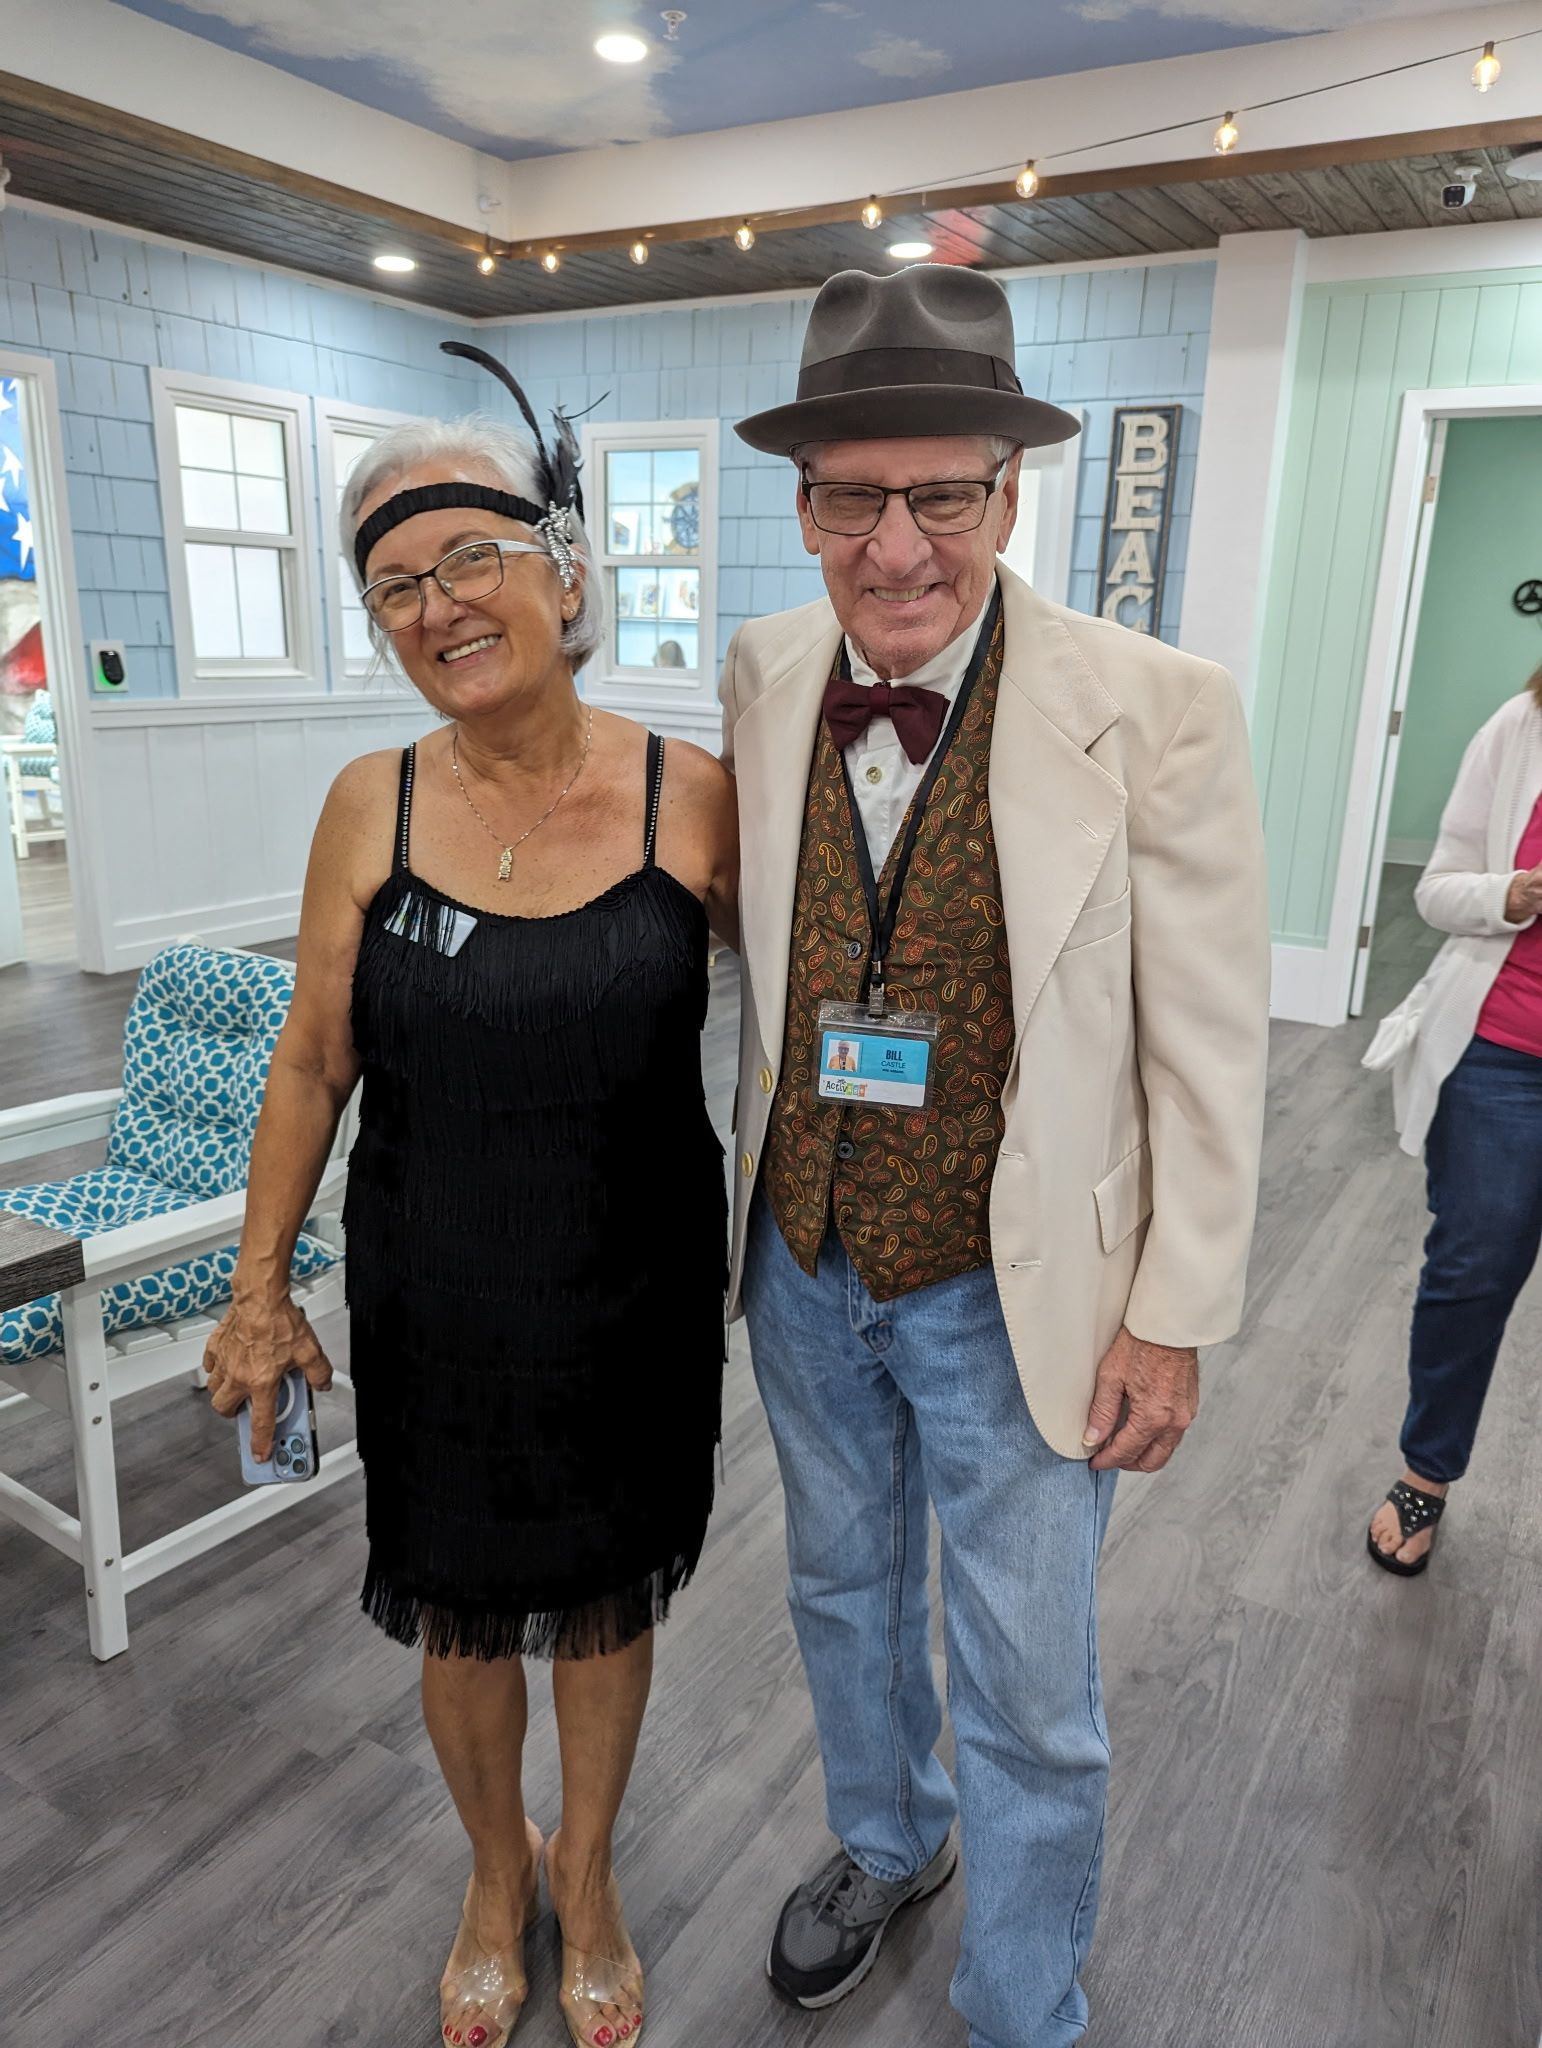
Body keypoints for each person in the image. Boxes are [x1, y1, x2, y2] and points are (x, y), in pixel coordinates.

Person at [719, 265, 1270, 2048]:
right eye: (850, 499)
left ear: (1004, 491)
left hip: (1014, 1281)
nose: (893, 548)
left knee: (1031, 1674)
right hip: (804, 1259)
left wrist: (1173, 1310)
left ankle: (1023, 1997)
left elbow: (1204, 1035)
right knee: (837, 1588)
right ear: (802, 503)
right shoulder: (761, 666)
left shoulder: (1155, 705)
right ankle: (886, 1841)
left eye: (935, 494)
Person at [201, 353, 737, 2048]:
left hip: (635, 1285)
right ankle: (493, 1874)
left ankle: (592, 1866)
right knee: (452, 1600)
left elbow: (814, 1011)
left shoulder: (691, 794)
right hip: (434, 1289)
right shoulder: (375, 802)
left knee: (599, 1597)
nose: (436, 608)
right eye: (394, 588)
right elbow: (308, 1060)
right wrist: (255, 1283)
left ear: (561, 567)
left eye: (465, 560)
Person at [1363, 666, 1542, 1575]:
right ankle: (1426, 1472)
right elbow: (1438, 889)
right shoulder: (1520, 725)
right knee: (1473, 1272)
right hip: (1504, 1058)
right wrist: (1507, 894)